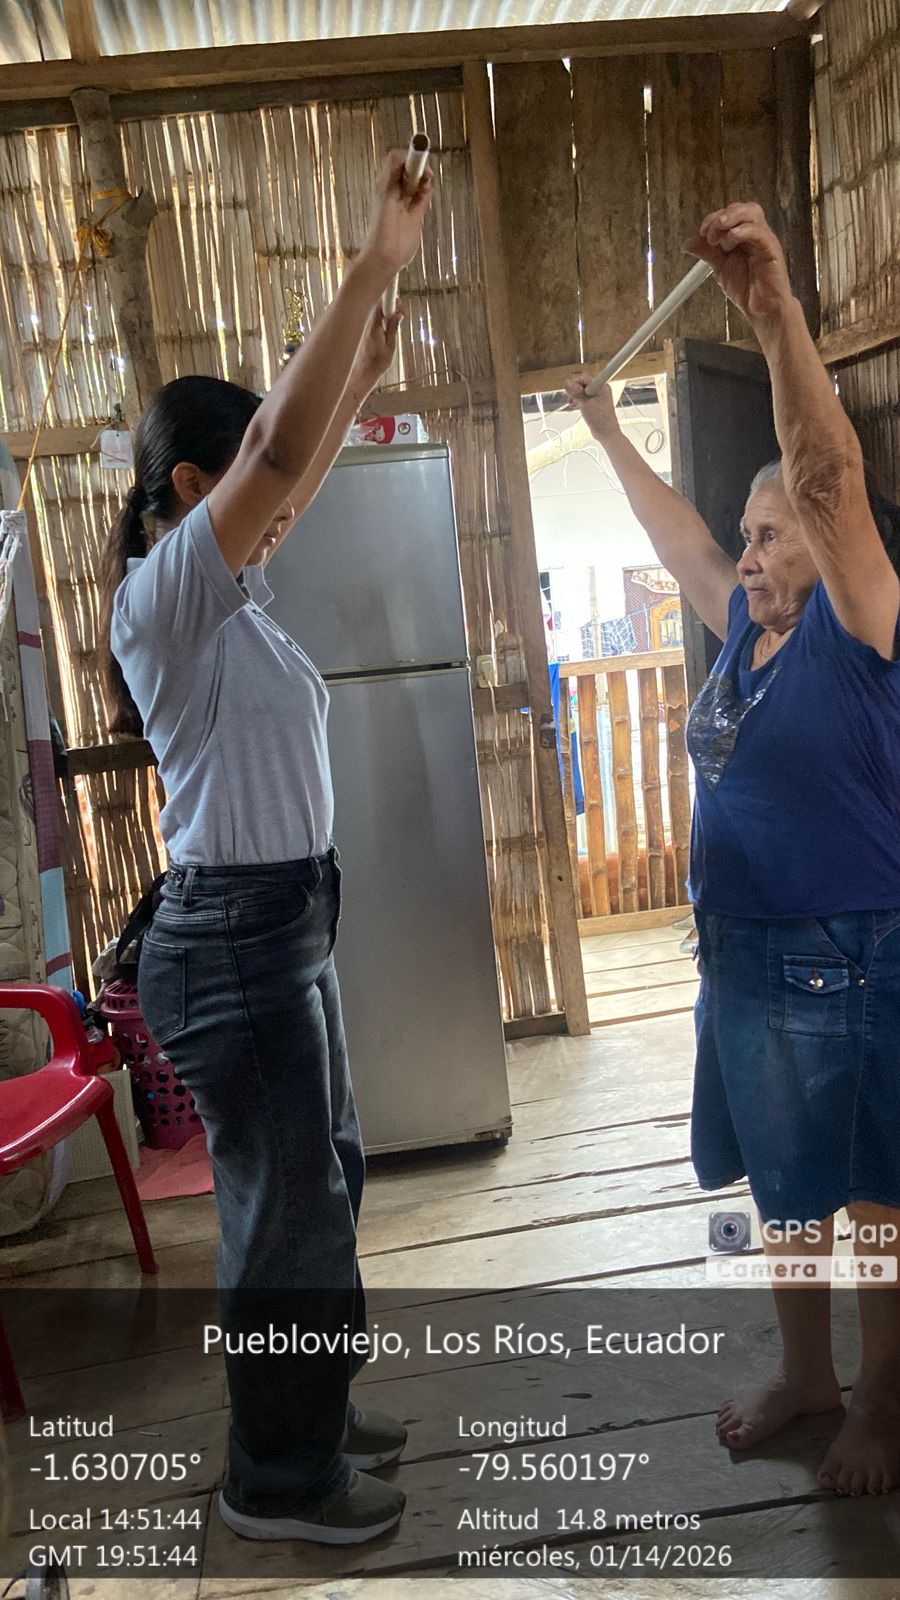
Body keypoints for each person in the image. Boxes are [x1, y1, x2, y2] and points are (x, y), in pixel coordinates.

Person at [100, 151, 431, 1544]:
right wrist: (371, 264)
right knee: (285, 1216)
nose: (271, 510)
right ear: (191, 484)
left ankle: (310, 1408)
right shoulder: (167, 598)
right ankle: (276, 1480)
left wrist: (358, 381)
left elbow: (294, 475)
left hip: (283, 925)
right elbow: (279, 463)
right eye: (239, 479)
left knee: (322, 1186)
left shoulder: (227, 591)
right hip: (236, 940)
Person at [566, 202, 900, 1499]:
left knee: (872, 1194)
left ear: (828, 540)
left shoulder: (863, 625)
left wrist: (773, 318)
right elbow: (679, 542)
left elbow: (824, 476)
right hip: (746, 960)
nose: (746, 551)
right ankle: (810, 1378)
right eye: (748, 536)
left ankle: (882, 1402)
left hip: (850, 956)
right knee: (784, 1184)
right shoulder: (748, 634)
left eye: (770, 533)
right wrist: (605, 429)